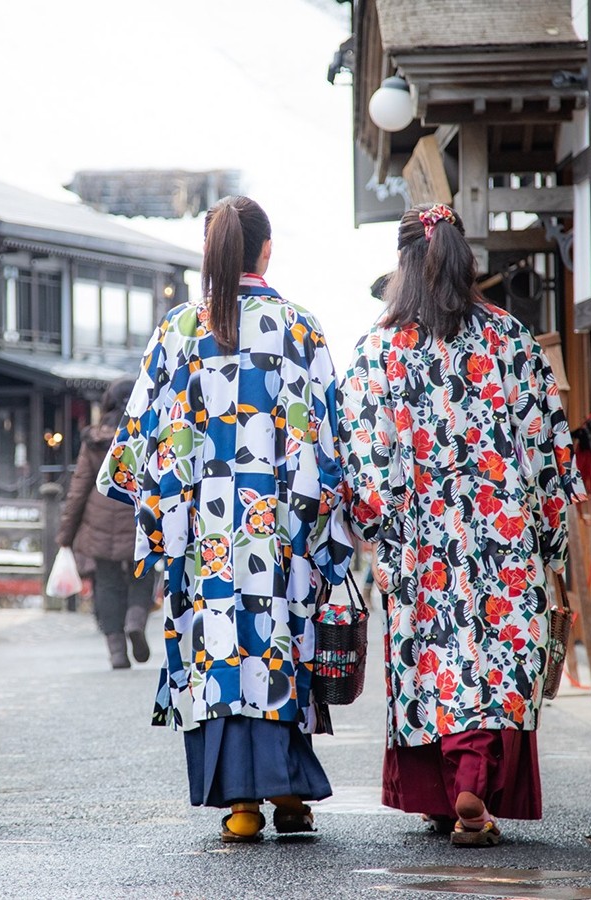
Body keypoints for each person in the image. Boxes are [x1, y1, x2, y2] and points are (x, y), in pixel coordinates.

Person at [99, 195, 351, 843]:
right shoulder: (299, 329)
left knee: (217, 658)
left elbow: (133, 455)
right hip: (280, 538)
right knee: (278, 649)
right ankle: (291, 792)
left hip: (202, 543)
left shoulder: (178, 331)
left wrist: (165, 520)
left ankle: (238, 801)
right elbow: (332, 444)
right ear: (267, 250)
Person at [337, 202, 586, 847]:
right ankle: (475, 787)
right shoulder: (511, 338)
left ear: (402, 264)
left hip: (422, 546)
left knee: (436, 662)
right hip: (503, 539)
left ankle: (446, 793)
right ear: (462, 257)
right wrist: (550, 537)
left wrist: (377, 526)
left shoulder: (377, 348)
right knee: (493, 663)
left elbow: (363, 462)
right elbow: (547, 449)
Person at [56, 377, 155, 669]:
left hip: (99, 521)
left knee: (107, 583)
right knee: (143, 575)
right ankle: (135, 621)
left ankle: (116, 651)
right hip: (137, 518)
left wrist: (66, 533)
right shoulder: (146, 432)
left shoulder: (95, 439)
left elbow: (79, 489)